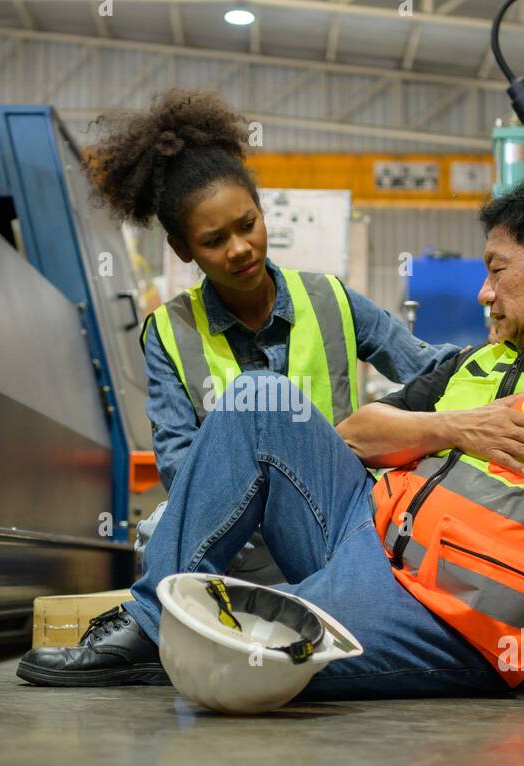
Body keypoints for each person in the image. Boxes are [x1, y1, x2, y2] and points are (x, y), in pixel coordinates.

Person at [18, 174, 524, 703]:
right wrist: (456, 426)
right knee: (263, 398)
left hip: (447, 610)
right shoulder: (485, 360)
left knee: (235, 671)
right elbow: (356, 435)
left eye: (497, 270)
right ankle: (149, 620)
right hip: (365, 529)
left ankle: (212, 627)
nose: (485, 292)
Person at [84, 89, 457, 583]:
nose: (240, 249)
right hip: (240, 537)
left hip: (334, 520)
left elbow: (432, 370)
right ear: (181, 249)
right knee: (157, 533)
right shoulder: (170, 332)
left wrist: (514, 361)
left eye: (247, 225)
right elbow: (178, 465)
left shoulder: (330, 299)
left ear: (261, 211)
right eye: (214, 241)